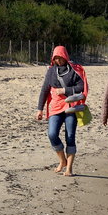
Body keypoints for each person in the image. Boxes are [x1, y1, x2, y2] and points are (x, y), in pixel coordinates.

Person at [36, 46, 88, 177]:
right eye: (56, 58)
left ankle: (69, 168)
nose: (58, 61)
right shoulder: (51, 71)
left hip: (71, 107)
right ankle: (62, 160)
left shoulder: (74, 70)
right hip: (55, 107)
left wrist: (65, 90)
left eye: (60, 58)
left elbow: (81, 87)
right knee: (52, 134)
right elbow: (44, 90)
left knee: (70, 137)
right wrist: (39, 109)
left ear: (65, 56)